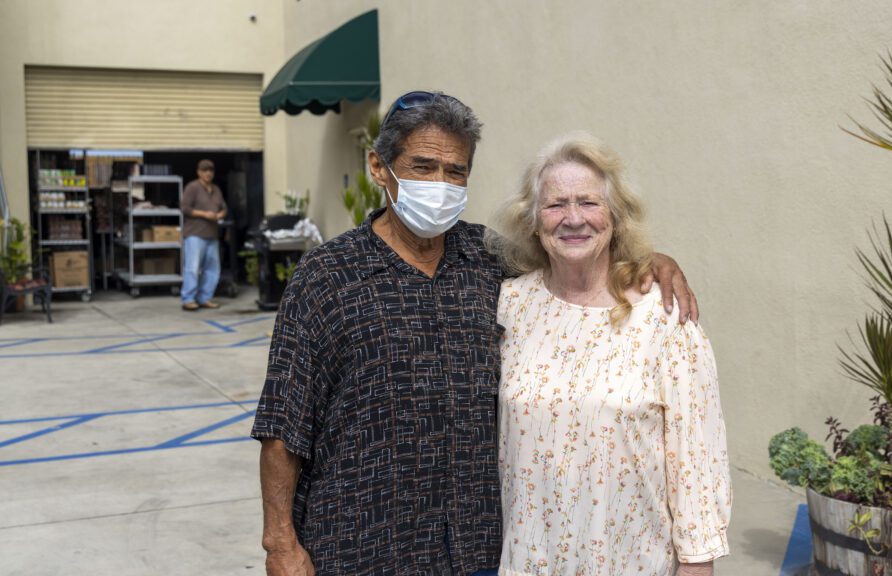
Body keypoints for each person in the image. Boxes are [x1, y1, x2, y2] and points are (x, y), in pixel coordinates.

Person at [251, 91, 698, 576]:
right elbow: (283, 424)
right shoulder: (325, 277)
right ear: (380, 168)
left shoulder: (491, 260)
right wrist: (280, 543)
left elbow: (574, 253)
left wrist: (649, 262)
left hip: (476, 546)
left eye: (455, 171)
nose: (440, 183)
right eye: (422, 167)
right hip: (361, 542)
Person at [489, 133, 731, 576]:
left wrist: (697, 563)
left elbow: (696, 456)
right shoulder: (509, 305)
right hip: (530, 562)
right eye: (556, 204)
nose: (573, 218)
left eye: (589, 203)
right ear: (533, 221)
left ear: (616, 218)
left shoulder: (662, 316)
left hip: (632, 562)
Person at [180, 158, 226, 311]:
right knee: (192, 268)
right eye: (205, 170)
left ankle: (205, 297)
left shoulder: (216, 190)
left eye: (210, 170)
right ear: (199, 172)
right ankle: (188, 299)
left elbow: (224, 208)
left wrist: (220, 214)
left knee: (212, 269)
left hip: (212, 235)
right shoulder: (192, 188)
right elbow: (185, 208)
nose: (208, 173)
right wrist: (204, 214)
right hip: (195, 234)